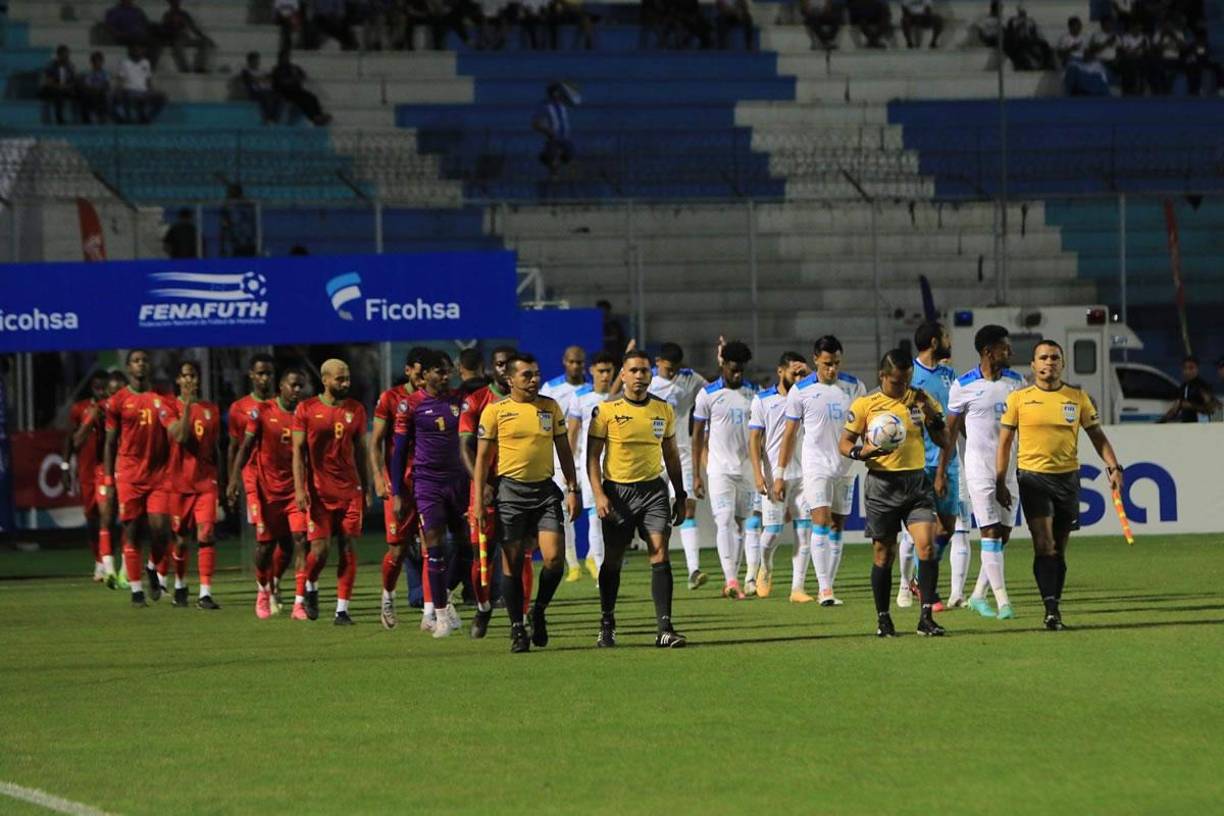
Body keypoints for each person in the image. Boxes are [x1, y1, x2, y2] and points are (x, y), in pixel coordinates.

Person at [996, 340, 1123, 631]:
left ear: (1062, 364)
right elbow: (1004, 443)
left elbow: (1097, 436)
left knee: (1060, 550)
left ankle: (1054, 604)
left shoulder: (1078, 398)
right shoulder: (1019, 399)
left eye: (1054, 357)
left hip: (1067, 479)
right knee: (1044, 544)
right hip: (1032, 478)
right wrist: (999, 479)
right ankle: (1050, 608)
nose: (1049, 362)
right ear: (1033, 365)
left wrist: (1114, 467)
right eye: (1043, 358)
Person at [471, 353, 580, 653]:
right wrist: (479, 500)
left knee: (554, 560)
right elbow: (482, 459)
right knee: (513, 564)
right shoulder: (495, 412)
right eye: (526, 376)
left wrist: (573, 488)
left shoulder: (550, 407)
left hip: (545, 492)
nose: (534, 381)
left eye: (536, 375)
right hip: (511, 494)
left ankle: (539, 610)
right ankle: (517, 628)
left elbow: (564, 450)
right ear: (510, 380)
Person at [839, 349, 950, 637]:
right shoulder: (866, 404)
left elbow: (943, 439)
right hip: (882, 485)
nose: (903, 388)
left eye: (907, 381)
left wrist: (931, 416)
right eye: (897, 382)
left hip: (916, 483)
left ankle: (925, 617)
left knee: (927, 545)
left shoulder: (920, 399)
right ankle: (883, 618)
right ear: (883, 376)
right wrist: (860, 452)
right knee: (883, 554)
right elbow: (844, 441)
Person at [586, 349, 689, 648]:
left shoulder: (663, 410)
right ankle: (607, 622)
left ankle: (665, 628)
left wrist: (680, 494)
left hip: (653, 491)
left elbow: (671, 454)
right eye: (634, 371)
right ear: (623, 375)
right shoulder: (606, 410)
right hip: (618, 492)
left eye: (645, 371)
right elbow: (592, 457)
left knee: (659, 552)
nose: (640, 376)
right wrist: (599, 493)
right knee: (614, 559)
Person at [936, 325, 1024, 620]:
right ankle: (1003, 603)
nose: (1009, 352)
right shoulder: (963, 386)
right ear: (988, 352)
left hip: (1010, 468)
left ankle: (977, 595)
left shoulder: (1017, 383)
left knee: (1004, 535)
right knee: (989, 532)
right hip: (979, 469)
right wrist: (940, 472)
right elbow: (950, 432)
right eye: (1004, 348)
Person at [775, 335, 865, 606]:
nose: (832, 369)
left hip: (846, 465)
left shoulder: (854, 386)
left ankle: (830, 585)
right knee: (821, 521)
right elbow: (789, 435)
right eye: (827, 364)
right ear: (815, 360)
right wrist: (779, 473)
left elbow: (864, 423)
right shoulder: (800, 390)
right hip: (815, 464)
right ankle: (824, 589)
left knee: (838, 524)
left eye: (836, 363)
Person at [389, 351, 471, 638]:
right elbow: (399, 451)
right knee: (434, 544)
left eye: (449, 371)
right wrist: (397, 492)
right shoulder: (410, 406)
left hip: (459, 482)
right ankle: (439, 616)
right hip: (427, 483)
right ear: (425, 376)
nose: (446, 376)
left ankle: (445, 595)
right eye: (440, 371)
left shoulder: (462, 401)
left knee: (466, 548)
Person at [291, 359, 371, 625]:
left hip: (350, 491)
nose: (345, 383)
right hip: (319, 493)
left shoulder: (356, 410)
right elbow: (298, 453)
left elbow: (361, 451)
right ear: (325, 380)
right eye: (340, 379)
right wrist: (300, 489)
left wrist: (367, 487)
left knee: (348, 547)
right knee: (320, 550)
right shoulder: (306, 409)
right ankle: (311, 584)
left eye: (347, 378)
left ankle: (341, 610)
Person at [459, 345, 529, 638]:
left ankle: (522, 618)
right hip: (485, 489)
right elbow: (464, 446)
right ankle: (484, 606)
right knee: (482, 557)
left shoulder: (532, 403)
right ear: (492, 368)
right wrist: (481, 482)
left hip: (518, 488)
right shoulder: (476, 401)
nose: (502, 369)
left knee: (520, 555)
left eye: (507, 365)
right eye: (499, 364)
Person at [228, 368, 307, 619]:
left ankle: (298, 603)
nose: (297, 391)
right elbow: (245, 447)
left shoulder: (303, 414)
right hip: (265, 490)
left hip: (293, 489)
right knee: (265, 546)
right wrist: (232, 480)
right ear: (282, 385)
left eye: (300, 387)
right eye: (293, 385)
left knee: (298, 540)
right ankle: (263, 589)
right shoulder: (263, 413)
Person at [897, 321, 960, 611]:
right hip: (919, 463)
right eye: (946, 336)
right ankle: (916, 586)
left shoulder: (950, 375)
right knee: (920, 528)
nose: (950, 341)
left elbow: (955, 419)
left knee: (947, 527)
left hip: (948, 461)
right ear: (934, 342)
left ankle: (919, 582)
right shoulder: (909, 375)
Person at [103, 349, 174, 607]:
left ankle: (152, 566)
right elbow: (110, 443)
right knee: (131, 531)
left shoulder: (163, 400)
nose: (141, 364)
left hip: (158, 476)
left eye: (145, 360)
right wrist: (110, 481)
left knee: (161, 531)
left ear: (150, 366)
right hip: (129, 476)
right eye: (136, 361)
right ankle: (135, 590)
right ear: (128, 367)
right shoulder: (117, 401)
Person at [692, 340, 758, 599]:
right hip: (719, 469)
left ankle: (734, 580)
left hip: (747, 470)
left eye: (741, 369)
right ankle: (731, 579)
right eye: (733, 369)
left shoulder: (754, 394)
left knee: (741, 525)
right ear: (723, 366)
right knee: (724, 521)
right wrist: (697, 473)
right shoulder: (707, 395)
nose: (737, 374)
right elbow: (697, 435)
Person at [369, 351, 424, 630]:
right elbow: (376, 441)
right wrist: (379, 477)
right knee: (398, 550)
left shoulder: (435, 398)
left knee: (433, 546)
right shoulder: (391, 398)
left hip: (428, 483)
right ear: (408, 370)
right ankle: (388, 598)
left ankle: (433, 611)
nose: (422, 377)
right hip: (399, 484)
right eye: (418, 371)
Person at [748, 352, 809, 599]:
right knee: (772, 531)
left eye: (802, 372)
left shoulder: (808, 396)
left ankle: (798, 587)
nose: (798, 376)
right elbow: (754, 440)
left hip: (805, 474)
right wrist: (758, 474)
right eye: (794, 371)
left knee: (804, 531)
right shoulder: (762, 400)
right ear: (780, 371)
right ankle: (766, 566)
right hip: (775, 474)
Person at [649, 342, 708, 589]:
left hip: (681, 452)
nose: (672, 373)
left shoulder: (690, 379)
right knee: (656, 513)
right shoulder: (647, 382)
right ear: (658, 362)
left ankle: (694, 569)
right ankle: (659, 563)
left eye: (676, 368)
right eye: (668, 368)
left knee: (688, 507)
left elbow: (713, 391)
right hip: (651, 455)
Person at [164, 360, 221, 609]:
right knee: (180, 540)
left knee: (206, 535)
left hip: (206, 483)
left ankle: (205, 593)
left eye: (193, 376)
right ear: (178, 380)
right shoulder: (168, 407)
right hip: (178, 484)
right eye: (185, 376)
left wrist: (223, 481)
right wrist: (187, 405)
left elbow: (215, 448)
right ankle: (180, 582)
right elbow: (181, 436)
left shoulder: (212, 410)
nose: (189, 381)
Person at [224, 354, 280, 605]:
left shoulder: (284, 405)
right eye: (260, 373)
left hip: (283, 479)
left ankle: (274, 582)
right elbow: (235, 447)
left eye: (268, 373)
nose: (265, 378)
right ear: (251, 375)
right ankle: (264, 588)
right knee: (264, 536)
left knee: (289, 540)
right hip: (254, 479)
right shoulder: (240, 408)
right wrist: (232, 480)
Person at [539, 345, 588, 581]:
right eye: (572, 362)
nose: (576, 366)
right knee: (564, 509)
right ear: (564, 362)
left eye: (580, 362)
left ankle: (595, 557)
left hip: (588, 458)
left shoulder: (592, 390)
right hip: (561, 458)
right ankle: (572, 563)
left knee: (596, 509)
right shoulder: (551, 388)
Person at [567, 351, 617, 579]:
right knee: (595, 517)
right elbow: (573, 433)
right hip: (591, 465)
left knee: (615, 520)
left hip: (618, 465)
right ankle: (600, 573)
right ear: (592, 371)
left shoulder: (621, 397)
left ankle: (609, 563)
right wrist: (570, 469)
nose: (605, 376)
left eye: (609, 371)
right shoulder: (580, 397)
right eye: (601, 371)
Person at [66, 372, 110, 582]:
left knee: (106, 516)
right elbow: (72, 440)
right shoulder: (79, 408)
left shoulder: (112, 407)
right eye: (97, 386)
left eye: (104, 387)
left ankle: (108, 562)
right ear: (92, 386)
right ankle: (99, 560)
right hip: (85, 470)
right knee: (92, 519)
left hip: (104, 468)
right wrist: (66, 466)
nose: (101, 390)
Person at [271, 50, 333, 126]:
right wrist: (294, 79)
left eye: (287, 57)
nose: (286, 59)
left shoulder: (293, 67)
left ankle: (319, 115)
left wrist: (298, 76)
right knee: (303, 100)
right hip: (286, 92)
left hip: (297, 90)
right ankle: (314, 118)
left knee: (312, 97)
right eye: (284, 58)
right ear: (280, 59)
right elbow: (282, 82)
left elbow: (303, 76)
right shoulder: (277, 70)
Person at [533, 81, 578, 180]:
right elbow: (536, 122)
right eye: (555, 93)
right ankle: (553, 173)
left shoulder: (563, 104)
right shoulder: (545, 105)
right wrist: (547, 130)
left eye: (558, 93)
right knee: (552, 156)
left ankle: (547, 159)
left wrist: (567, 87)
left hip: (565, 135)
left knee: (570, 154)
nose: (557, 95)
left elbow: (576, 100)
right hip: (553, 136)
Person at [115, 44, 166, 124]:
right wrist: (120, 90)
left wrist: (151, 90)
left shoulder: (146, 62)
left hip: (144, 92)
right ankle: (127, 119)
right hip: (129, 91)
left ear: (142, 51)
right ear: (131, 51)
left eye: (139, 49)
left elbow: (148, 81)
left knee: (162, 97)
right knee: (120, 96)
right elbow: (120, 80)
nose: (137, 51)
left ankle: (147, 118)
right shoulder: (124, 62)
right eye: (135, 49)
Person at [159, 0, 213, 73]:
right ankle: (184, 68)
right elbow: (163, 30)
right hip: (175, 39)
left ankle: (200, 67)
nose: (176, 4)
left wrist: (204, 37)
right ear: (170, 4)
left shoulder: (184, 14)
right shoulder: (167, 15)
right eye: (174, 2)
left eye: (177, 2)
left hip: (185, 38)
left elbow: (193, 28)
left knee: (204, 42)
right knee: (177, 46)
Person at [1162, 355, 1218, 422]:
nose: (1187, 371)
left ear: (1197, 369)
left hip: (1201, 427)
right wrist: (1159, 423)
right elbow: (1175, 409)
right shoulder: (1183, 386)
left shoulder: (1203, 386)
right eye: (1185, 368)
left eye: (1191, 368)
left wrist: (1191, 406)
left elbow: (1212, 409)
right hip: (1187, 427)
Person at [39, 45, 78, 125]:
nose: (66, 57)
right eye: (64, 55)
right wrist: (58, 86)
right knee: (57, 93)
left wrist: (68, 86)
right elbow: (48, 81)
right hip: (53, 88)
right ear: (59, 55)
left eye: (67, 55)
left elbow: (73, 80)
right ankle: (59, 118)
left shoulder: (70, 66)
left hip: (66, 88)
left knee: (79, 92)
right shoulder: (51, 65)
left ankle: (80, 119)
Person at [241, 52, 281, 124]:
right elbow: (252, 81)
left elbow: (270, 79)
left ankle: (275, 118)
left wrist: (261, 79)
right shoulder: (246, 71)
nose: (256, 62)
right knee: (265, 95)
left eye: (257, 60)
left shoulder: (263, 71)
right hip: (254, 92)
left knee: (278, 95)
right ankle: (267, 118)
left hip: (266, 90)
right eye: (254, 60)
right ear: (249, 61)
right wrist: (262, 79)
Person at [219, 184, 257, 257]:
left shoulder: (232, 208)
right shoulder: (230, 208)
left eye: (230, 192)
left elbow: (225, 226)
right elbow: (224, 227)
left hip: (245, 243)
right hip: (239, 244)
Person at [79, 51, 113, 124]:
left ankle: (105, 116)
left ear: (102, 62)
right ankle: (92, 115)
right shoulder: (88, 73)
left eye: (99, 61)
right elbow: (87, 85)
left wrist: (100, 88)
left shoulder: (105, 74)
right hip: (92, 92)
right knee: (90, 95)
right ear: (92, 62)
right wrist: (94, 89)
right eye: (95, 61)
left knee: (105, 95)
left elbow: (107, 84)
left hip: (102, 92)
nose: (97, 63)